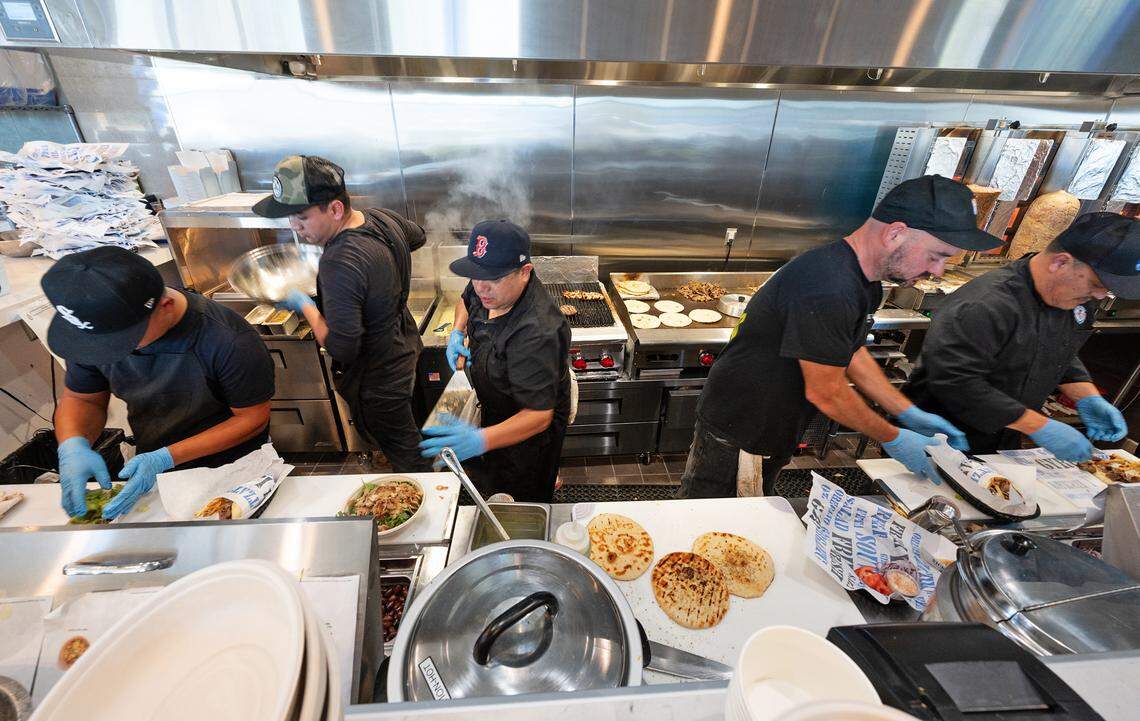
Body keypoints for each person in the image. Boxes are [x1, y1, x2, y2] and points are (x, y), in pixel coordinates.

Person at [680, 175, 1000, 498]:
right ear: (896, 233)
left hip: (774, 426)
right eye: (936, 255)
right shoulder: (828, 285)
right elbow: (827, 392)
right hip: (740, 430)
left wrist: (904, 410)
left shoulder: (865, 281)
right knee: (705, 519)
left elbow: (849, 350)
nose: (939, 271)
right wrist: (894, 438)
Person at [46, 247, 274, 520]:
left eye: (124, 340)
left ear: (164, 305)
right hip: (152, 469)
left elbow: (252, 418)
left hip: (232, 469)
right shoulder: (95, 327)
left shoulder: (229, 340)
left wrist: (166, 457)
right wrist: (73, 445)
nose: (113, 352)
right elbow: (83, 398)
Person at [905, 212, 1138, 460]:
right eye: (1096, 283)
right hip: (939, 437)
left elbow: (1059, 350)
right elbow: (955, 381)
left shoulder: (1072, 298)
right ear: (1060, 263)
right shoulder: (985, 304)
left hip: (1003, 439)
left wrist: (1087, 397)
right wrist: (1039, 426)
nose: (1101, 295)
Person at [255, 155, 431, 472]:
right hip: (405, 349)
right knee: (412, 435)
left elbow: (342, 347)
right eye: (289, 218)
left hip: (378, 379)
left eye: (302, 217)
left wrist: (305, 304)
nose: (294, 226)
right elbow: (417, 235)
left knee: (406, 455)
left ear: (335, 209)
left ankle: (431, 506)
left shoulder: (339, 261)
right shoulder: (381, 219)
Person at [418, 220, 571, 502]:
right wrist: (457, 331)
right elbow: (465, 300)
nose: (481, 288)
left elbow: (538, 416)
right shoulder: (485, 283)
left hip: (528, 430)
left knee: (522, 495)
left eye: (494, 280)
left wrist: (480, 440)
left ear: (525, 272)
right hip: (496, 405)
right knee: (494, 478)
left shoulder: (537, 331)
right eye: (476, 276)